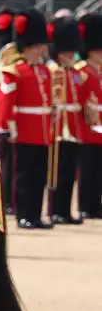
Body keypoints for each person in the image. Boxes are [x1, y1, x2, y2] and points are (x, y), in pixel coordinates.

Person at [0, 8, 54, 230]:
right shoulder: (15, 71)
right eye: (39, 46)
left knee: (39, 176)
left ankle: (35, 215)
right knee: (23, 177)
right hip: (22, 130)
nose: (42, 50)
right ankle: (23, 215)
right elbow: (5, 103)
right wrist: (4, 126)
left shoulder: (44, 72)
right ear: (29, 46)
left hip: (41, 132)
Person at [48, 17, 84, 225]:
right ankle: (55, 210)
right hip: (58, 127)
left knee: (70, 173)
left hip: (72, 126)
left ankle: (66, 210)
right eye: (66, 52)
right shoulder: (53, 71)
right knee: (57, 173)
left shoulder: (73, 72)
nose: (70, 55)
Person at [77, 13, 102, 220]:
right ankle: (86, 205)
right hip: (87, 127)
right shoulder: (82, 72)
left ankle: (97, 205)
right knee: (87, 171)